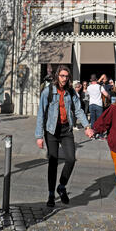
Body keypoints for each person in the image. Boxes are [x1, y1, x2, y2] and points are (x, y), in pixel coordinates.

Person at [35, 65, 94, 208]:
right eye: (62, 76)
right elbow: (41, 113)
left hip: (66, 130)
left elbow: (78, 110)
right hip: (51, 131)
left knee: (71, 159)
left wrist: (87, 126)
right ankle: (50, 194)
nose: (64, 79)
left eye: (66, 76)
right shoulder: (48, 91)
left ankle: (61, 186)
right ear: (57, 76)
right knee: (53, 162)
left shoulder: (71, 92)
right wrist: (39, 135)